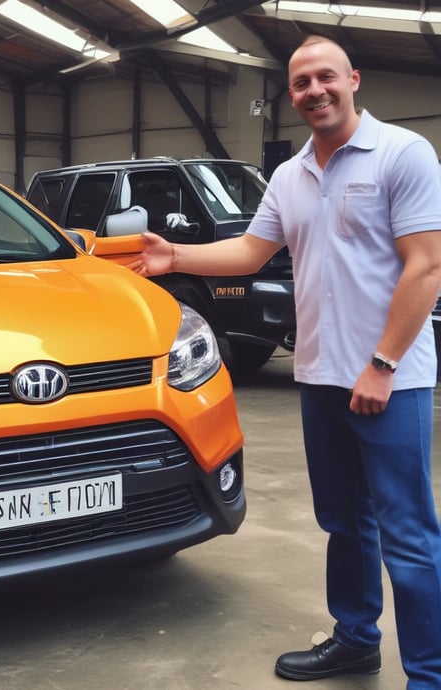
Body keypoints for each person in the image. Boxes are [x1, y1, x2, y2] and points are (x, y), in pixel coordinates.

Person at [131, 35, 441, 689]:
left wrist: (383, 365)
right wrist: (176, 256)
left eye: (326, 77)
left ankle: (429, 675)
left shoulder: (402, 153)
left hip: (391, 381)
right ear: (292, 95)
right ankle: (355, 639)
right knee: (344, 522)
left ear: (353, 80)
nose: (314, 91)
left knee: (408, 534)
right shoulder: (291, 175)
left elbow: (426, 266)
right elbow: (251, 251)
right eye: (301, 83)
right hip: (321, 377)